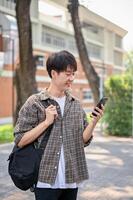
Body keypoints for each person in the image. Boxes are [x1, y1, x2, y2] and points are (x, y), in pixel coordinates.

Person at [14, 50, 104, 200]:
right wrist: (46, 123)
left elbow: (82, 141)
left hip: (71, 180)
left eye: (73, 74)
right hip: (45, 181)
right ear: (54, 73)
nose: (72, 78)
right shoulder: (35, 102)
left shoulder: (75, 104)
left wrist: (94, 122)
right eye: (68, 74)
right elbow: (20, 139)